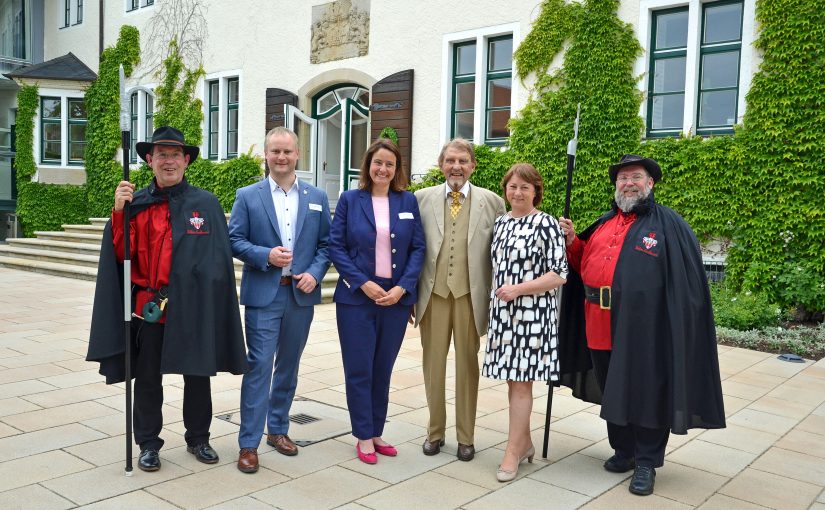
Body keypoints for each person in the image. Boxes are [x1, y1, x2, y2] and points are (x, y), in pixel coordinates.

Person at [558, 154, 725, 496]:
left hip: (646, 330)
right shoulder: (603, 223)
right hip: (599, 323)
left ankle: (647, 462)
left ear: (650, 183)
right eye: (622, 178)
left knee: (646, 393)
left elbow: (688, 282)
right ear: (616, 185)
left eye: (636, 177)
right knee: (611, 387)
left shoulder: (670, 225)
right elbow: (580, 263)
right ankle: (624, 451)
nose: (628, 183)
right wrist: (573, 241)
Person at [87, 126, 248, 472]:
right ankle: (148, 443)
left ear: (186, 160)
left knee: (197, 374)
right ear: (150, 160)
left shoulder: (205, 204)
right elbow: (121, 254)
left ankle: (199, 438)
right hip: (150, 308)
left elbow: (217, 261)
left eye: (176, 154)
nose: (169, 161)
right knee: (147, 377)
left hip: (193, 307)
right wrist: (119, 212)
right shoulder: (137, 205)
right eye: (162, 154)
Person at [229, 127, 331, 474]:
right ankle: (248, 443)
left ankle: (279, 429)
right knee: (258, 366)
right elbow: (234, 240)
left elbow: (326, 245)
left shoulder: (317, 195)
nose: (282, 157)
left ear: (298, 155)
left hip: (300, 295)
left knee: (289, 365)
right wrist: (265, 255)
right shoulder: (248, 195)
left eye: (287, 151)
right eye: (275, 152)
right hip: (264, 295)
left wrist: (315, 273)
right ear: (266, 156)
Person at [329, 139, 426, 464]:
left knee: (383, 369)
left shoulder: (407, 201)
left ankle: (376, 430)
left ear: (397, 169)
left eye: (389, 164)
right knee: (360, 369)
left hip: (395, 300)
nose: (382, 169)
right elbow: (336, 246)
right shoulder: (350, 200)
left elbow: (418, 249)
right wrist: (362, 283)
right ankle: (363, 435)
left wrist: (403, 288)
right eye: (377, 163)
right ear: (367, 166)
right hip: (358, 299)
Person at [413, 138, 506, 461]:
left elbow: (503, 253)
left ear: (473, 166)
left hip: (470, 296)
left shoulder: (492, 203)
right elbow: (413, 250)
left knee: (468, 367)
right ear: (441, 164)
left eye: (463, 161)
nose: (456, 166)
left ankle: (466, 436)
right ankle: (434, 432)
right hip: (433, 295)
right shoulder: (420, 199)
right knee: (432, 367)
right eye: (450, 160)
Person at [483, 163, 568, 481]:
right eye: (512, 186)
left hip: (533, 315)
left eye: (524, 187)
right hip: (504, 316)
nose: (517, 192)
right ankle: (526, 442)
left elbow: (559, 274)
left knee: (521, 384)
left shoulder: (546, 224)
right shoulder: (500, 223)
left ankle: (512, 451)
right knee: (512, 382)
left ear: (536, 192)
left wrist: (518, 289)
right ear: (505, 189)